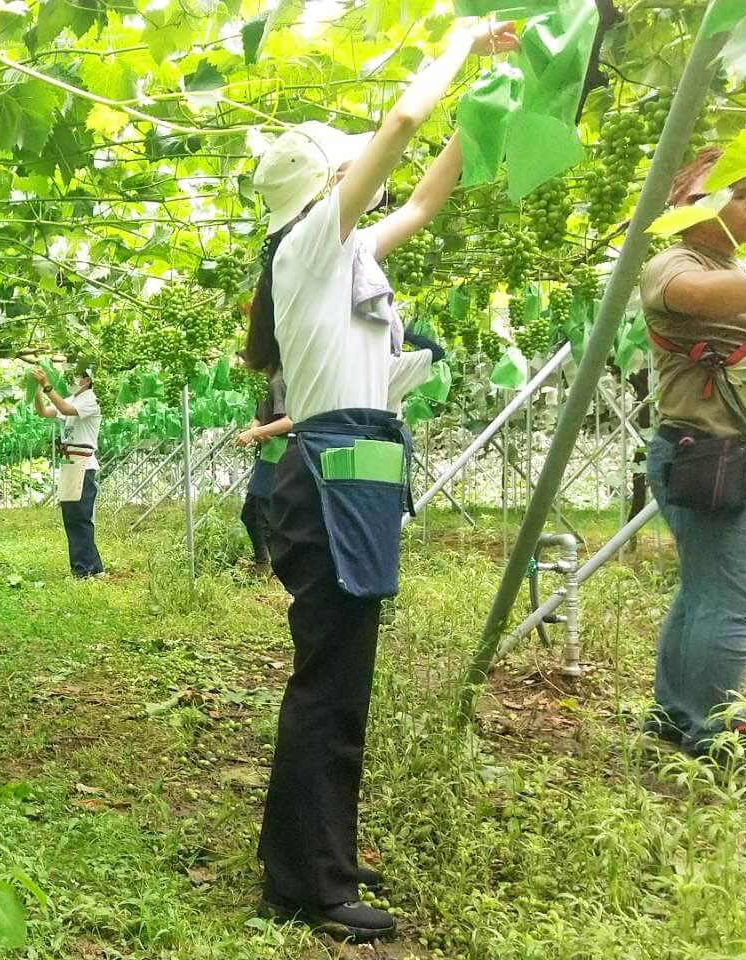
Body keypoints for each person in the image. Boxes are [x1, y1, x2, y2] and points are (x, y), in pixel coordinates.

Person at [245, 20, 516, 942]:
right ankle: (306, 885)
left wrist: (489, 103)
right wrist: (458, 41)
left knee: (340, 682)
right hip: (326, 488)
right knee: (327, 686)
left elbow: (429, 195)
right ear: (324, 186)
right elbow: (402, 117)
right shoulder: (308, 246)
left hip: (349, 483)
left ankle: (319, 855)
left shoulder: (348, 260)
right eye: (348, 167)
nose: (366, 175)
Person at [638, 148, 746, 760]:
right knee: (734, 602)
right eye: (740, 192)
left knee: (704, 592)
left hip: (715, 452)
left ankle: (674, 713)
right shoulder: (673, 262)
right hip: (706, 455)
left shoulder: (729, 263)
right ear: (692, 204)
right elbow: (698, 296)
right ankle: (714, 737)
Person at [31, 366, 104, 578]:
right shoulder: (73, 398)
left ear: (88, 380)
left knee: (79, 518)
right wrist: (37, 391)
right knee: (74, 518)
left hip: (84, 464)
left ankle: (83, 570)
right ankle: (95, 568)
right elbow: (44, 412)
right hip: (71, 464)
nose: (73, 379)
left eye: (78, 375)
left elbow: (64, 408)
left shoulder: (90, 400)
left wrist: (46, 385)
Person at [235, 372, 287, 573]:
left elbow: (290, 421)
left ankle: (277, 567)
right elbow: (259, 416)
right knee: (252, 513)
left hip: (280, 454)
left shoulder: (278, 382)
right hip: (268, 454)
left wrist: (256, 433)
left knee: (264, 514)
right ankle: (264, 563)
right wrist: (255, 428)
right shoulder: (263, 384)